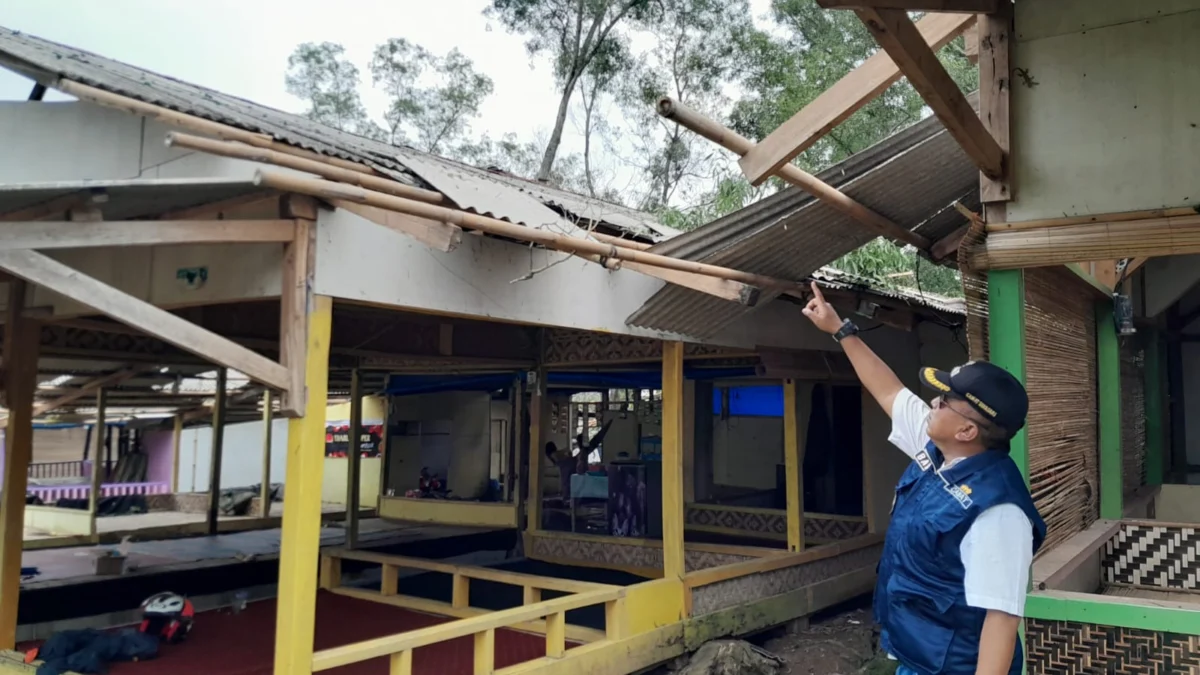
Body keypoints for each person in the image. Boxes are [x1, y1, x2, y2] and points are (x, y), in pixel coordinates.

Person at [800, 283, 1047, 675]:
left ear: (967, 431)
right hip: (916, 655)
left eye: (945, 399)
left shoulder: (998, 512)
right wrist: (839, 329)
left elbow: (1001, 619)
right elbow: (888, 389)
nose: (933, 401)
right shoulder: (937, 452)